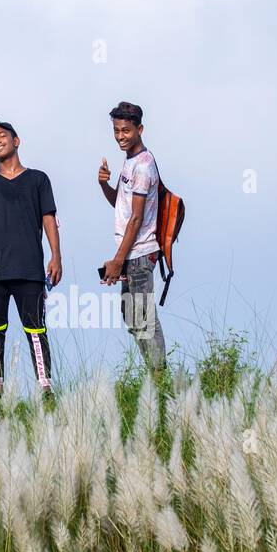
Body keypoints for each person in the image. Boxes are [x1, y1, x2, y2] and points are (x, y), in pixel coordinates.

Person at [0, 117, 62, 399]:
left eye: (0, 135)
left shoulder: (38, 179)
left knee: (36, 329)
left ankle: (45, 389)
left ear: (16, 140)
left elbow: (49, 219)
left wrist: (56, 257)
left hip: (30, 268)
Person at [98, 101, 167, 371]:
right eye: (116, 131)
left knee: (143, 319)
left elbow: (136, 219)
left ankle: (159, 375)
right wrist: (103, 183)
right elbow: (121, 205)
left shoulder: (143, 165)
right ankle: (156, 372)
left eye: (125, 131)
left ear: (140, 129)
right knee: (133, 317)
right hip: (132, 254)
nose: (120, 137)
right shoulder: (130, 161)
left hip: (140, 253)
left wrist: (117, 261)